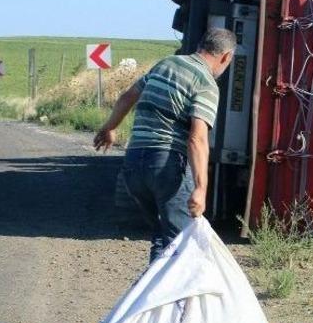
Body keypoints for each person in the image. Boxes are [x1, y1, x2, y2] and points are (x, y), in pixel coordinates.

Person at [94, 28, 236, 262]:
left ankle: (155, 294)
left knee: (163, 238)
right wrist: (201, 188)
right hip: (165, 165)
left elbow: (128, 97)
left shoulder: (166, 63)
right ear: (226, 56)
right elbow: (196, 138)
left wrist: (109, 127)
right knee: (181, 245)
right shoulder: (206, 83)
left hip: (133, 165)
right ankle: (170, 298)